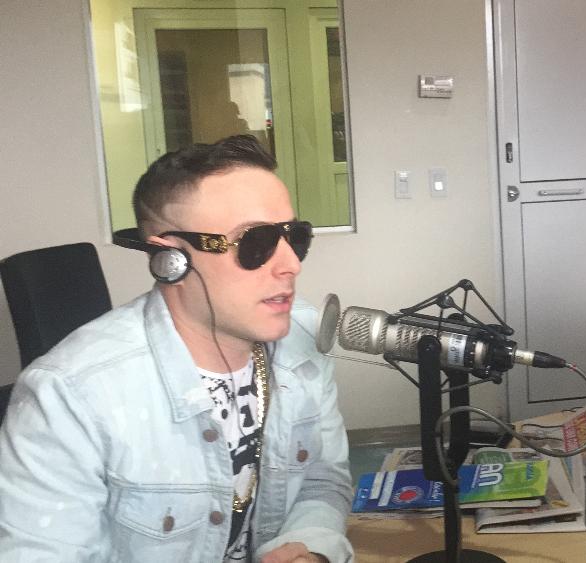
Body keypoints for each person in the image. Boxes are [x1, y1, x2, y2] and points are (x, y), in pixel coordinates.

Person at [0, 135, 353, 562]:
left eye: (294, 237)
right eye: (255, 243)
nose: (291, 265)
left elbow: (321, 478)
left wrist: (308, 547)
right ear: (172, 261)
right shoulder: (67, 397)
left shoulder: (303, 336)